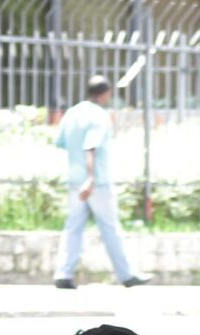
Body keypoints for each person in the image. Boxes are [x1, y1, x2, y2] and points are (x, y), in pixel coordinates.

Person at [52, 75, 150, 289]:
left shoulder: (72, 113)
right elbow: (91, 146)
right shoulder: (99, 116)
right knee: (110, 228)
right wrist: (90, 179)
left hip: (74, 179)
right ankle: (127, 274)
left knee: (72, 227)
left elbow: (60, 142)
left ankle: (63, 273)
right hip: (96, 182)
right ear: (105, 94)